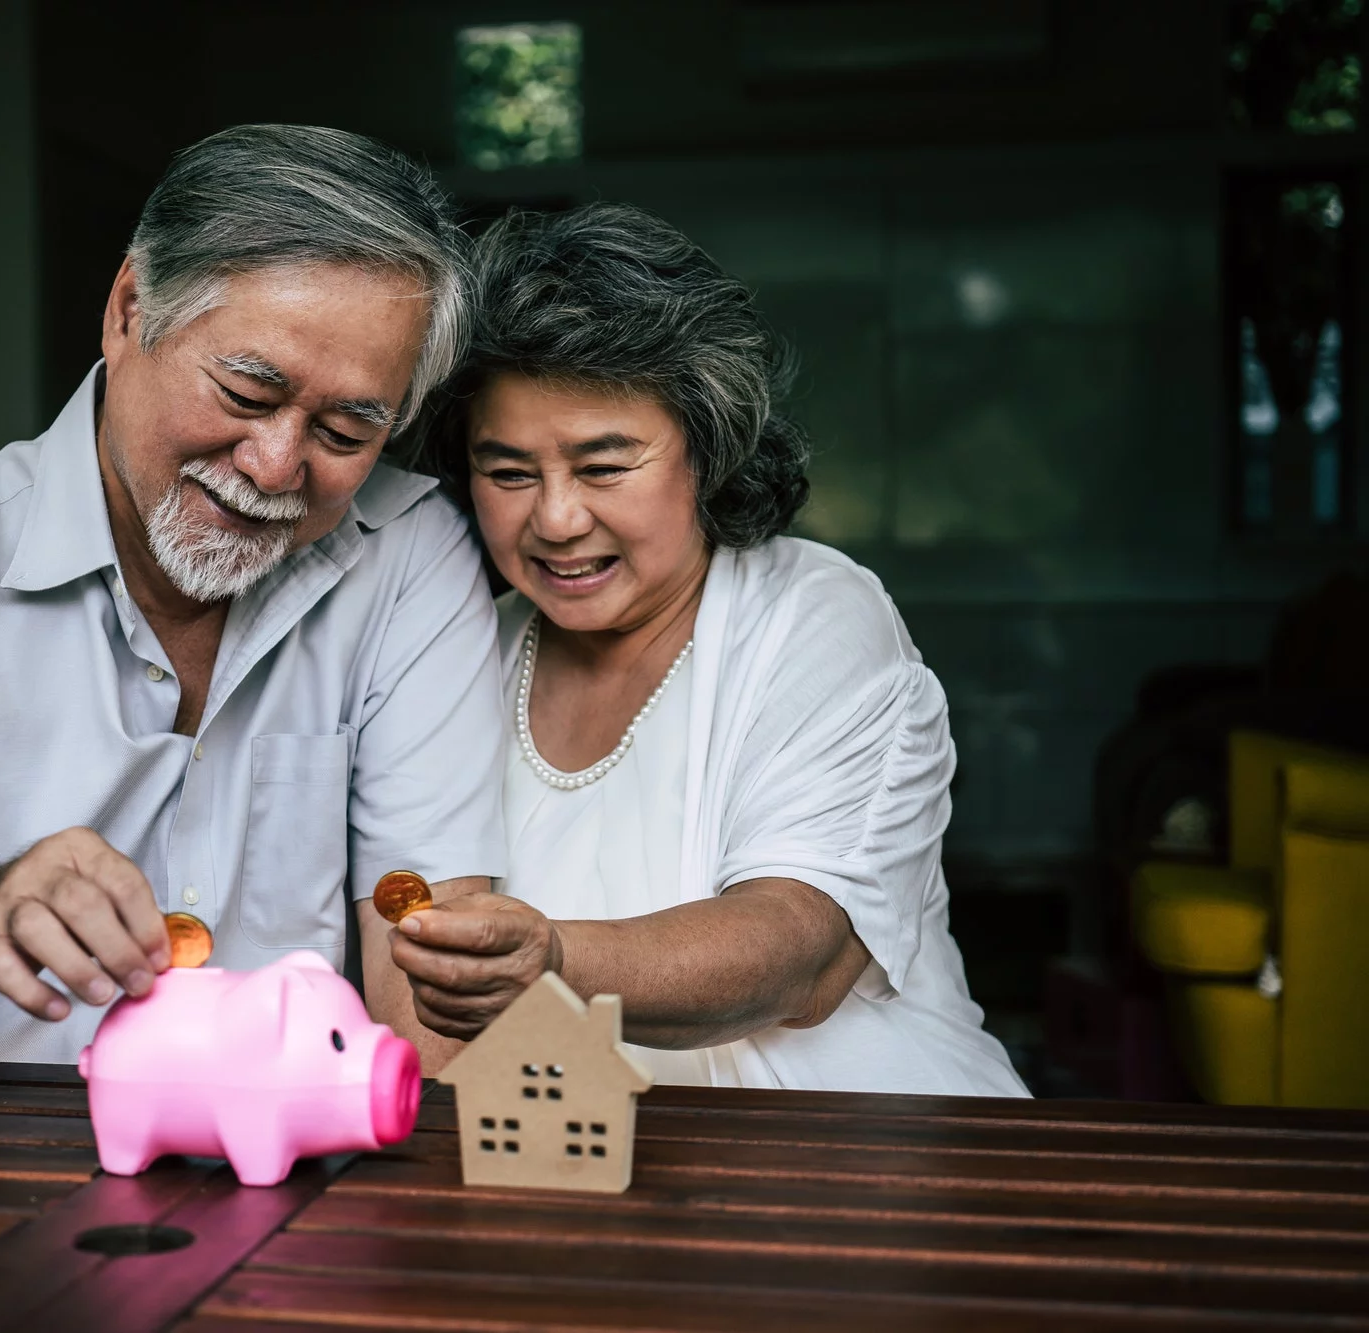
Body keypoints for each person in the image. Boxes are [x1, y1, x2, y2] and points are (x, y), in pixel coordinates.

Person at [0, 125, 505, 1077]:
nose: (276, 465)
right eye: (248, 393)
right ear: (130, 311)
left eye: (343, 431)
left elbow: (427, 994)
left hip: (294, 1172)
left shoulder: (408, 555)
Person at [389, 204, 1027, 1095]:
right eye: (508, 472)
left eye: (604, 466)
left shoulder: (812, 615)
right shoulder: (459, 653)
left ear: (707, 449)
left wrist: (553, 956)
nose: (557, 518)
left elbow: (799, 953)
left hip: (852, 1163)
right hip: (577, 1177)